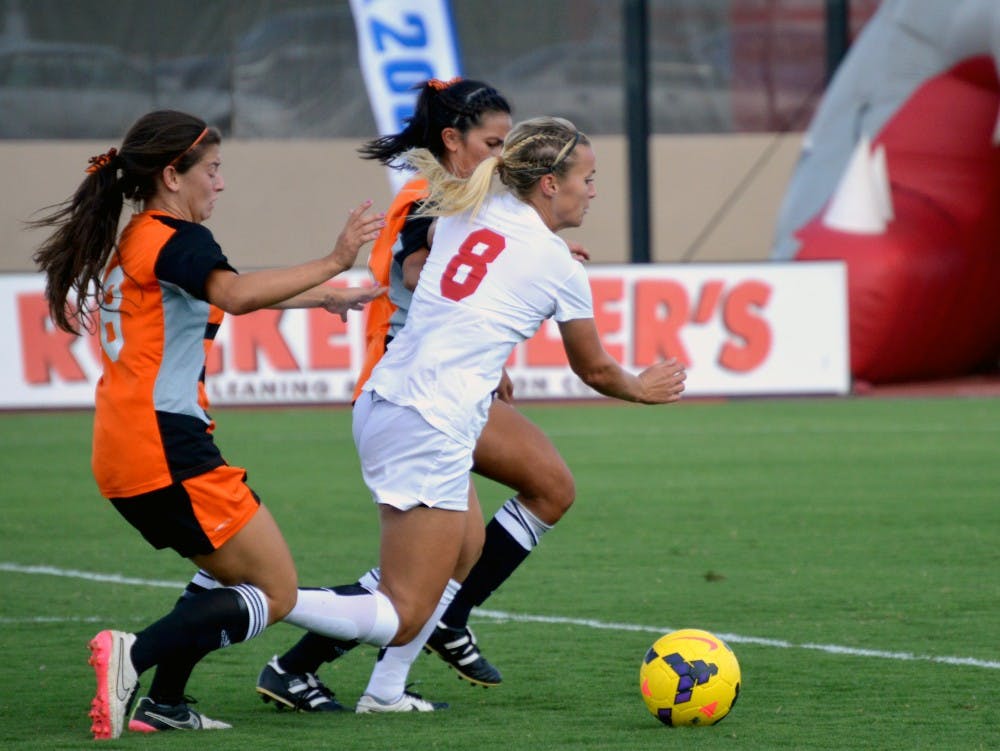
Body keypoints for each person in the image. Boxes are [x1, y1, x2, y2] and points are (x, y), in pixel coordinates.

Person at [262, 113, 687, 716]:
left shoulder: (471, 209)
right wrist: (642, 389)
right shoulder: (557, 264)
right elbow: (593, 369)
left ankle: (384, 690)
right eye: (587, 178)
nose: (593, 190)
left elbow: (456, 264)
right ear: (547, 184)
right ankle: (260, 599)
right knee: (405, 603)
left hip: (398, 398)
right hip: (429, 418)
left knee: (463, 552)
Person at [30, 110, 398, 739]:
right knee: (275, 590)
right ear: (172, 175)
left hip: (127, 446)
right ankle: (134, 655)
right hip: (163, 445)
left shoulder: (141, 238)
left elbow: (218, 291)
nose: (220, 183)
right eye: (213, 169)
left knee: (222, 568)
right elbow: (234, 293)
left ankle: (165, 702)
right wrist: (335, 260)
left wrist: (323, 296)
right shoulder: (179, 238)